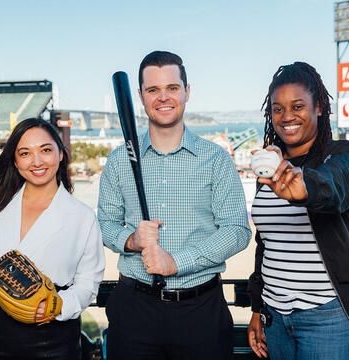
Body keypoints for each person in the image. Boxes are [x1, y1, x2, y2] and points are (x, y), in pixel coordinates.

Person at [98, 50, 251, 359]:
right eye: (153, 90)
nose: (163, 97)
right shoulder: (118, 161)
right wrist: (130, 240)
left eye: (172, 88)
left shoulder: (215, 159)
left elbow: (237, 230)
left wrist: (178, 262)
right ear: (140, 96)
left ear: (187, 91)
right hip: (134, 307)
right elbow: (104, 223)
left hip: (200, 310)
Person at [247, 62, 349, 360]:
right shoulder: (270, 168)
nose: (287, 117)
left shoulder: (343, 156)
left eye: (297, 106)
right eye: (277, 109)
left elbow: (333, 188)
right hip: (275, 318)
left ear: (319, 107)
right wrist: (257, 308)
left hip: (329, 318)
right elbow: (265, 245)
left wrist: (303, 188)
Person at [0, 118, 105, 359]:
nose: (36, 162)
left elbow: (88, 282)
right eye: (25, 153)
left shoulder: (83, 217)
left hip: (51, 339)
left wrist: (55, 307)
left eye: (45, 150)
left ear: (61, 154)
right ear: (15, 160)